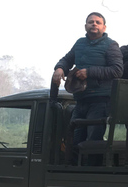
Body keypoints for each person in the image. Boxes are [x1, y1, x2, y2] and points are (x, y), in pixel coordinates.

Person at [52, 12, 123, 164]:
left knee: (93, 141)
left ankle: (92, 174)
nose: (94, 24)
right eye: (91, 22)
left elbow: (117, 70)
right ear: (86, 26)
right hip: (80, 99)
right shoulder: (79, 43)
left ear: (104, 27)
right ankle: (73, 175)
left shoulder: (111, 45)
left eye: (98, 22)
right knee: (74, 139)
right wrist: (59, 68)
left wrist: (89, 72)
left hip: (101, 100)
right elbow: (67, 59)